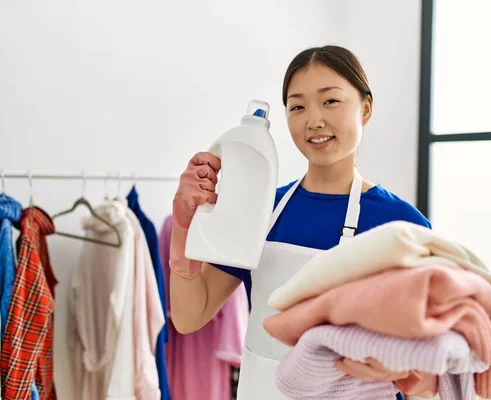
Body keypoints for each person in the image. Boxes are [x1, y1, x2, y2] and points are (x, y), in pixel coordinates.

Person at [169, 45, 432, 400]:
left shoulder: (401, 226)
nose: (314, 120)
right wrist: (184, 230)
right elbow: (189, 317)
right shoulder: (262, 208)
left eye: (330, 101)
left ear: (366, 108)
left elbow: (427, 373)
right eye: (298, 106)